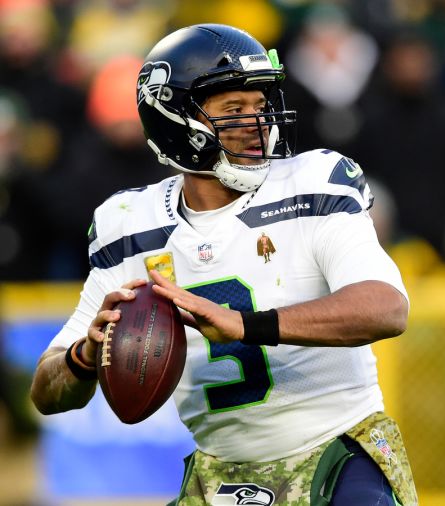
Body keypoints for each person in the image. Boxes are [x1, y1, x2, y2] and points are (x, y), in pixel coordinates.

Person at [30, 24, 417, 506]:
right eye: (234, 111)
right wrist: (85, 356)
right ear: (173, 119)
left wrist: (244, 324)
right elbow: (46, 391)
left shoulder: (313, 181)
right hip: (219, 469)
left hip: (338, 450)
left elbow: (386, 308)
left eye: (260, 107)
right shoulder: (128, 224)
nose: (258, 125)